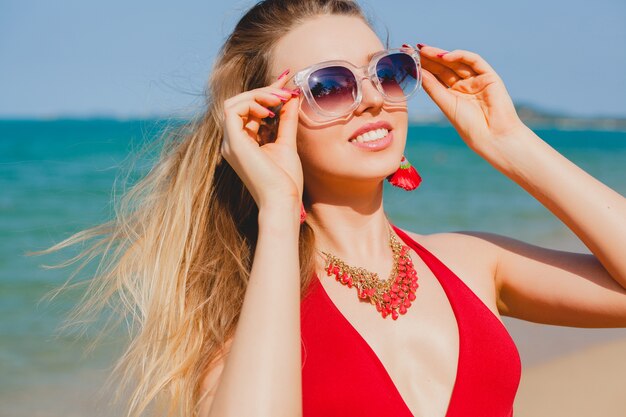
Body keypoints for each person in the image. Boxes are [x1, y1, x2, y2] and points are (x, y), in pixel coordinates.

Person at [34, 0, 626, 416]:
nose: (372, 100)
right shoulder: (257, 332)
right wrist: (276, 204)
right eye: (329, 85)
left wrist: (509, 142)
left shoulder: (474, 265)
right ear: (268, 123)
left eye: (386, 73)